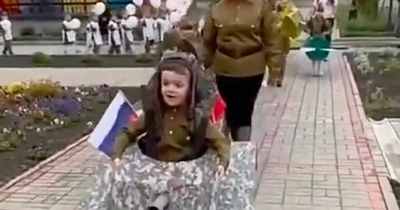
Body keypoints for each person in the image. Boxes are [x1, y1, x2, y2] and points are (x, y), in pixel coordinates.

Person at [111, 47, 231, 172]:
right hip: (156, 172)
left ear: (189, 90)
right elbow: (127, 132)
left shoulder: (196, 118)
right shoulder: (153, 115)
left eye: (178, 85)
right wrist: (116, 155)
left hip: (186, 174)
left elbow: (219, 141)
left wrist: (223, 162)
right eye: (166, 83)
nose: (171, 89)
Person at [202, 0, 283, 142]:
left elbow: (272, 39)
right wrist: (202, 66)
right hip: (224, 69)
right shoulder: (216, 8)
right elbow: (208, 41)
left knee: (244, 111)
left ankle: (241, 150)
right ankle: (223, 146)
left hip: (251, 69)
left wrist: (275, 69)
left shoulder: (261, 7)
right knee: (226, 110)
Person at [305, 5, 331, 76]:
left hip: (321, 38)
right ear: (316, 12)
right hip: (313, 38)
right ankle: (314, 70)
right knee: (313, 54)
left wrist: (326, 33)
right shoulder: (311, 20)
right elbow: (307, 27)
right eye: (318, 12)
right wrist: (309, 31)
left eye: (320, 12)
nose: (319, 14)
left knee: (321, 54)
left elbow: (328, 29)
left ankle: (320, 70)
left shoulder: (325, 21)